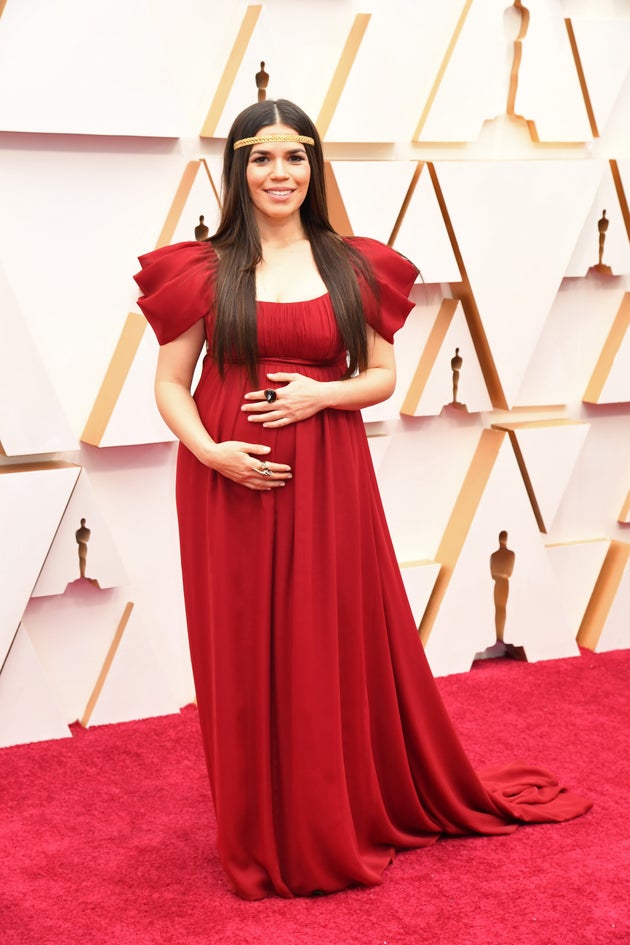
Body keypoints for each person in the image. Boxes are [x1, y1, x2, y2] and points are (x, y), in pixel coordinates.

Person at [134, 99, 591, 900]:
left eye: (296, 157)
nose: (281, 174)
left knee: (322, 637)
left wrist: (319, 397)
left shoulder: (354, 263)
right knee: (240, 647)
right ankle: (258, 828)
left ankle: (324, 814)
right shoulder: (201, 269)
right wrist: (212, 453)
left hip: (328, 474)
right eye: (262, 158)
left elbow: (380, 376)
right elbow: (171, 385)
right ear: (238, 170)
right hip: (224, 477)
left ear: (315, 167)